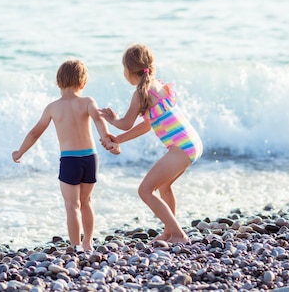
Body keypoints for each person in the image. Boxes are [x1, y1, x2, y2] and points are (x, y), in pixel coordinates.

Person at [99, 44, 203, 244]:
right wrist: (118, 140)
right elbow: (147, 125)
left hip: (181, 147)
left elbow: (126, 123)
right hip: (192, 143)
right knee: (164, 186)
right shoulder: (157, 86)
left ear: (128, 71)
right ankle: (169, 232)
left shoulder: (140, 93)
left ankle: (179, 235)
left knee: (145, 190)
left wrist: (112, 119)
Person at [12, 59, 120, 251]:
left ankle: (76, 247)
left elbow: (35, 132)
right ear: (83, 83)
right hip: (90, 158)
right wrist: (110, 143)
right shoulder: (88, 102)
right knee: (86, 202)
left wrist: (20, 152)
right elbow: (99, 122)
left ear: (58, 82)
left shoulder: (53, 107)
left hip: (70, 160)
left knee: (72, 205)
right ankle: (88, 242)